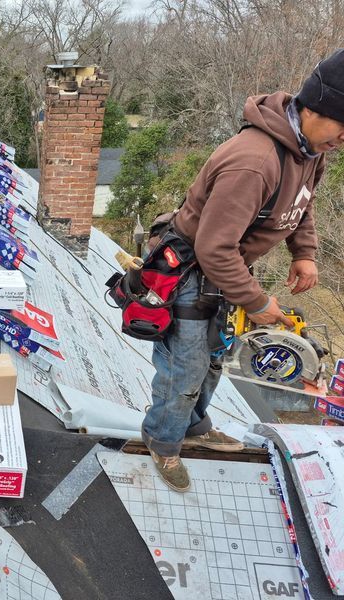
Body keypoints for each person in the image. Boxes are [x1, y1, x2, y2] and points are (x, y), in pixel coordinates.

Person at [142, 48, 344, 492]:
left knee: (215, 360)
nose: (343, 138)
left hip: (226, 272)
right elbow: (214, 248)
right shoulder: (255, 162)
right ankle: (162, 439)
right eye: (342, 125)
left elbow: (301, 204)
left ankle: (194, 427)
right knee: (186, 368)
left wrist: (304, 252)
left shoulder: (310, 148)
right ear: (313, 108)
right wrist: (257, 302)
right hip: (193, 270)